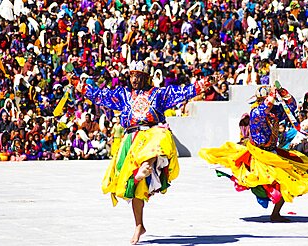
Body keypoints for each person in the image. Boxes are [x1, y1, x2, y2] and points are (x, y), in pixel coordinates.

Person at [84, 60, 213, 244]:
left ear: (145, 77)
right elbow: (100, 96)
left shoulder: (158, 94)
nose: (133, 79)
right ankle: (139, 225)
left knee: (160, 136)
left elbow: (183, 92)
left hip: (151, 134)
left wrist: (204, 83)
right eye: (131, 75)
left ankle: (147, 165)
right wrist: (80, 85)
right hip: (131, 139)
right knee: (136, 189)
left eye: (137, 75)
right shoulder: (124, 94)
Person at [199, 83, 308, 222]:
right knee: (283, 180)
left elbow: (291, 106)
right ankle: (276, 214)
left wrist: (282, 91)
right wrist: (272, 95)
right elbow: (265, 108)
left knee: (301, 166)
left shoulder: (274, 111)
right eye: (267, 99)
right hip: (259, 153)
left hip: (272, 152)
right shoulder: (256, 111)